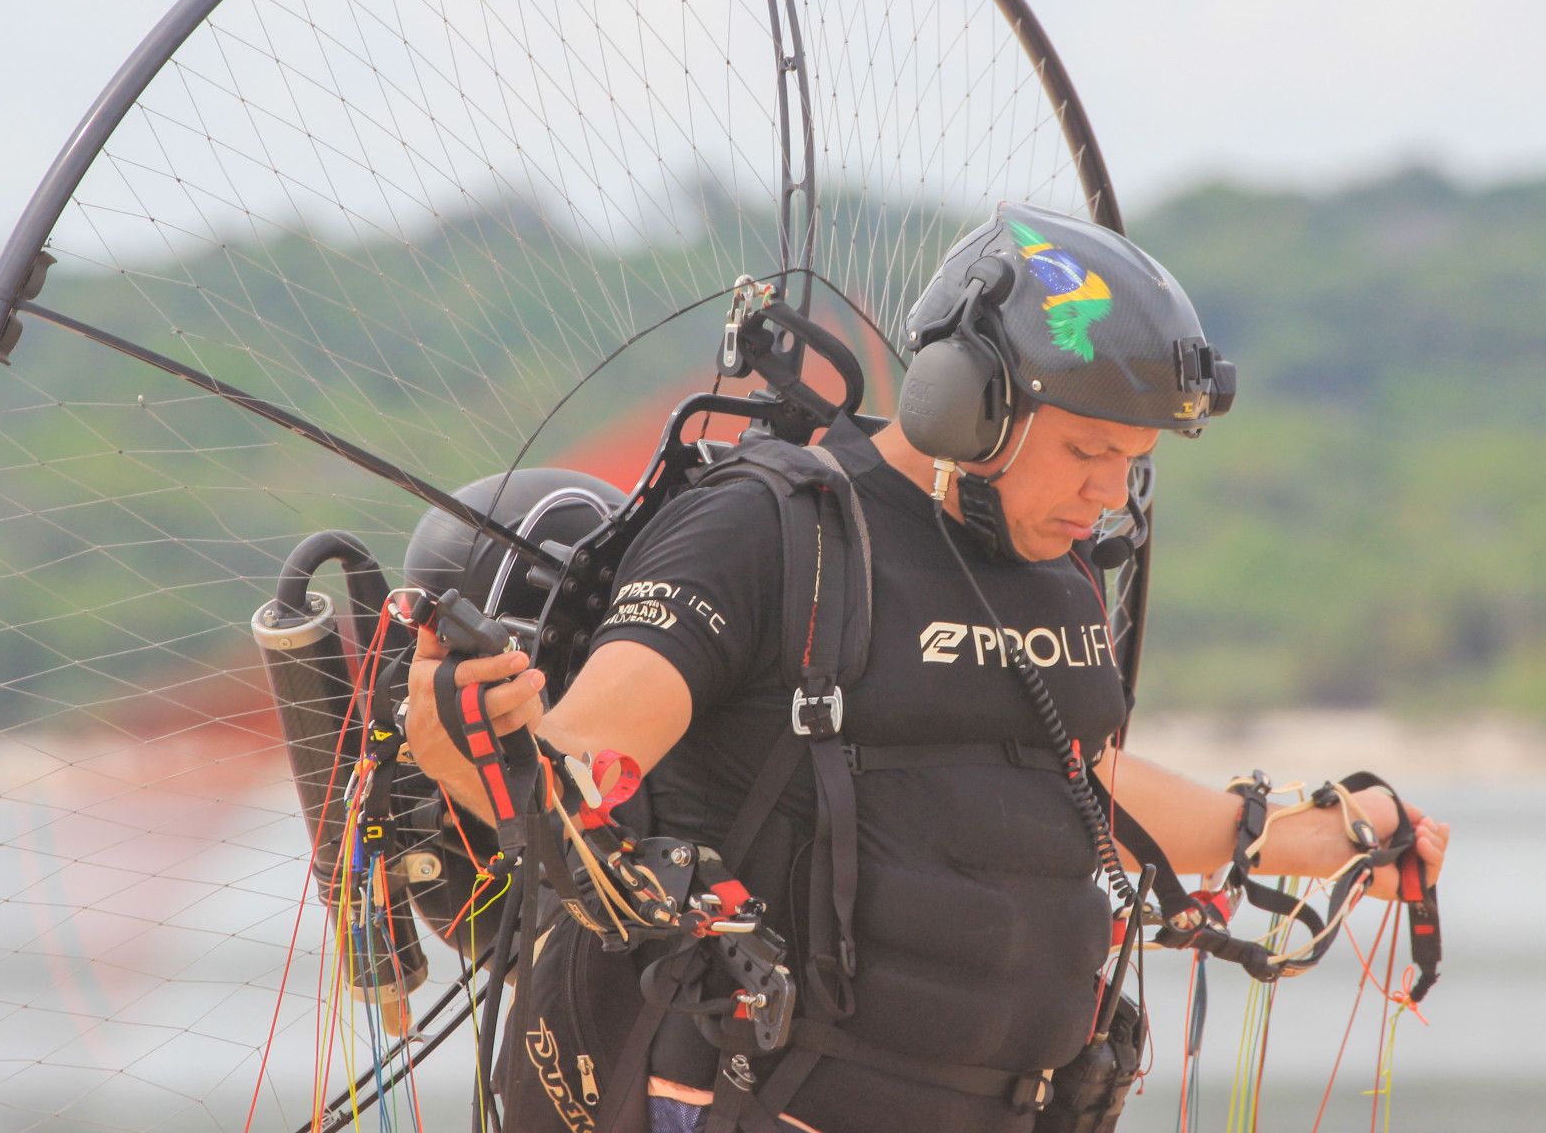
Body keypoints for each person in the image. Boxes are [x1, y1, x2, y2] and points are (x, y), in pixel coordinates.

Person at [404, 203, 1450, 1133]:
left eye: (1133, 462)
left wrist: (1307, 833)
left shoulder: (1056, 564)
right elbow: (588, 765)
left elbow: (1068, 782)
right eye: (1087, 451)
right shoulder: (765, 530)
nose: (1108, 493)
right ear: (966, 400)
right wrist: (473, 748)